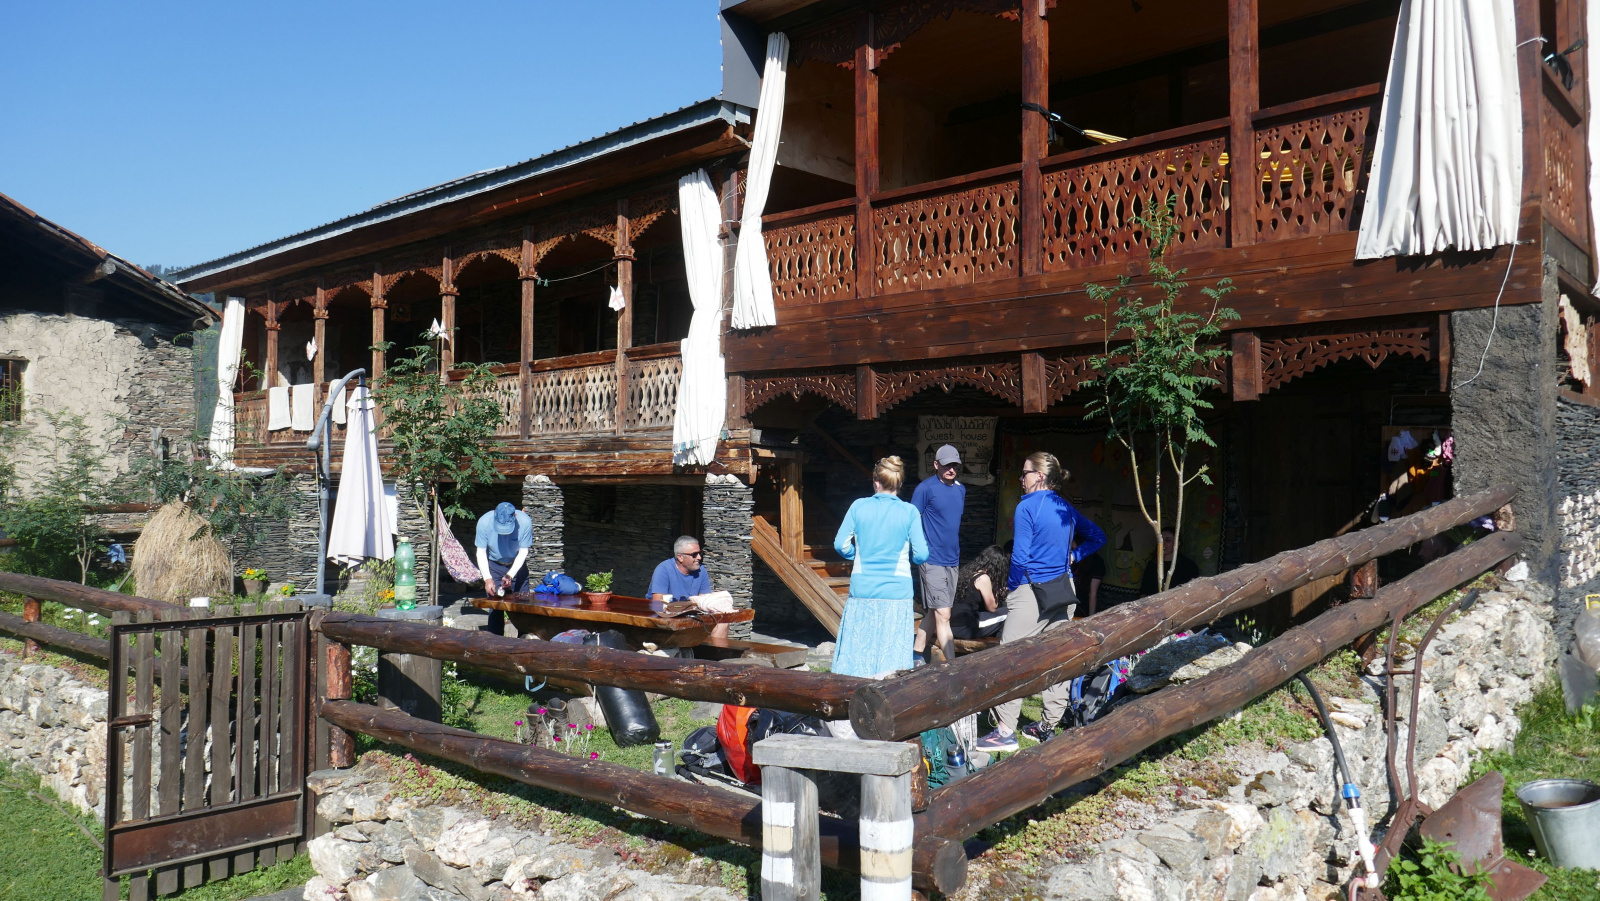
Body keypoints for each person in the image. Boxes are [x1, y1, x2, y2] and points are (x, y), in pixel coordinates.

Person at [976, 451, 1106, 752]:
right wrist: (1073, 557)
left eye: (1025, 473)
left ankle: (1005, 731)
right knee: (1056, 657)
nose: (1021, 479)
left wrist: (1011, 588)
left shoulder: (1027, 507)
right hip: (1063, 592)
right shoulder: (1065, 507)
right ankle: (1047, 725)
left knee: (1009, 658)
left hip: (1032, 592)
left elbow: (1020, 557)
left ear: (1040, 476)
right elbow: (1098, 537)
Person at [831, 456, 929, 682]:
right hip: (897, 593)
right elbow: (922, 554)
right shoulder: (909, 512)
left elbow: (840, 545)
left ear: (876, 481)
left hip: (863, 590)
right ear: (899, 483)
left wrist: (857, 555)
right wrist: (908, 558)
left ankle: (849, 693)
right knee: (892, 658)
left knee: (858, 655)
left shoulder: (858, 506)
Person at [911, 443, 966, 665]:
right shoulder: (925, 489)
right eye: (946, 465)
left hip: (952, 560)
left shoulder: (961, 489)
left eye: (955, 465)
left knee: (935, 611)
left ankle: (915, 656)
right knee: (944, 614)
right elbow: (912, 520)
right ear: (936, 465)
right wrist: (919, 551)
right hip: (931, 559)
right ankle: (953, 666)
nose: (951, 469)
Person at [648, 535, 729, 640]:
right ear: (680, 557)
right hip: (666, 618)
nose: (699, 558)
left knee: (723, 622)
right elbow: (657, 605)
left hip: (691, 617)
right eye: (694, 555)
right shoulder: (664, 570)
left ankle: (715, 650)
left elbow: (704, 603)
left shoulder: (701, 571)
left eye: (700, 553)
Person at [475, 501, 533, 635]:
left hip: (517, 565)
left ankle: (524, 643)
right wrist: (487, 578)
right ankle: (495, 643)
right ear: (494, 515)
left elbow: (523, 551)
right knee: (495, 608)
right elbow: (481, 552)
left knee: (523, 608)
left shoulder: (525, 522)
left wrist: (510, 574)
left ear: (515, 517)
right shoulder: (484, 522)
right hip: (495, 565)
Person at [950, 544, 1010, 640]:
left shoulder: (968, 572)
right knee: (1008, 613)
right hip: (966, 627)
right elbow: (992, 608)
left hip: (953, 625)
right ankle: (999, 644)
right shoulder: (983, 578)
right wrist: (996, 591)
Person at [1138, 527, 1200, 598]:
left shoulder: (1188, 566)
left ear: (1177, 543)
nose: (1162, 543)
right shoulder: (1152, 564)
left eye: (1167, 540)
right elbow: (1144, 591)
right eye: (1160, 539)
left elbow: (1193, 593)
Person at [1074, 533, 1107, 615]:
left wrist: (1091, 616)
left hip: (1083, 607)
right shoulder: (1075, 560)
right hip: (1071, 603)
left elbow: (1093, 593)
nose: (1072, 551)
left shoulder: (1096, 562)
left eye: (1074, 548)